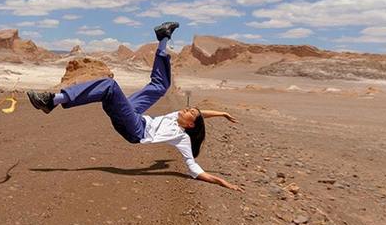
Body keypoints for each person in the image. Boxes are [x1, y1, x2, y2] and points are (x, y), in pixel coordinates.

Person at [27, 22, 243, 192]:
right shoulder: (182, 118)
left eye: (189, 113)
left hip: (135, 130)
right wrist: (223, 113)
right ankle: (163, 38)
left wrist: (223, 182)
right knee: (161, 86)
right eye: (189, 109)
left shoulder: (182, 138)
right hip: (137, 116)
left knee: (110, 86)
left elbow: (195, 169)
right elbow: (201, 115)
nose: (186, 110)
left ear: (189, 125)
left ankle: (51, 101)